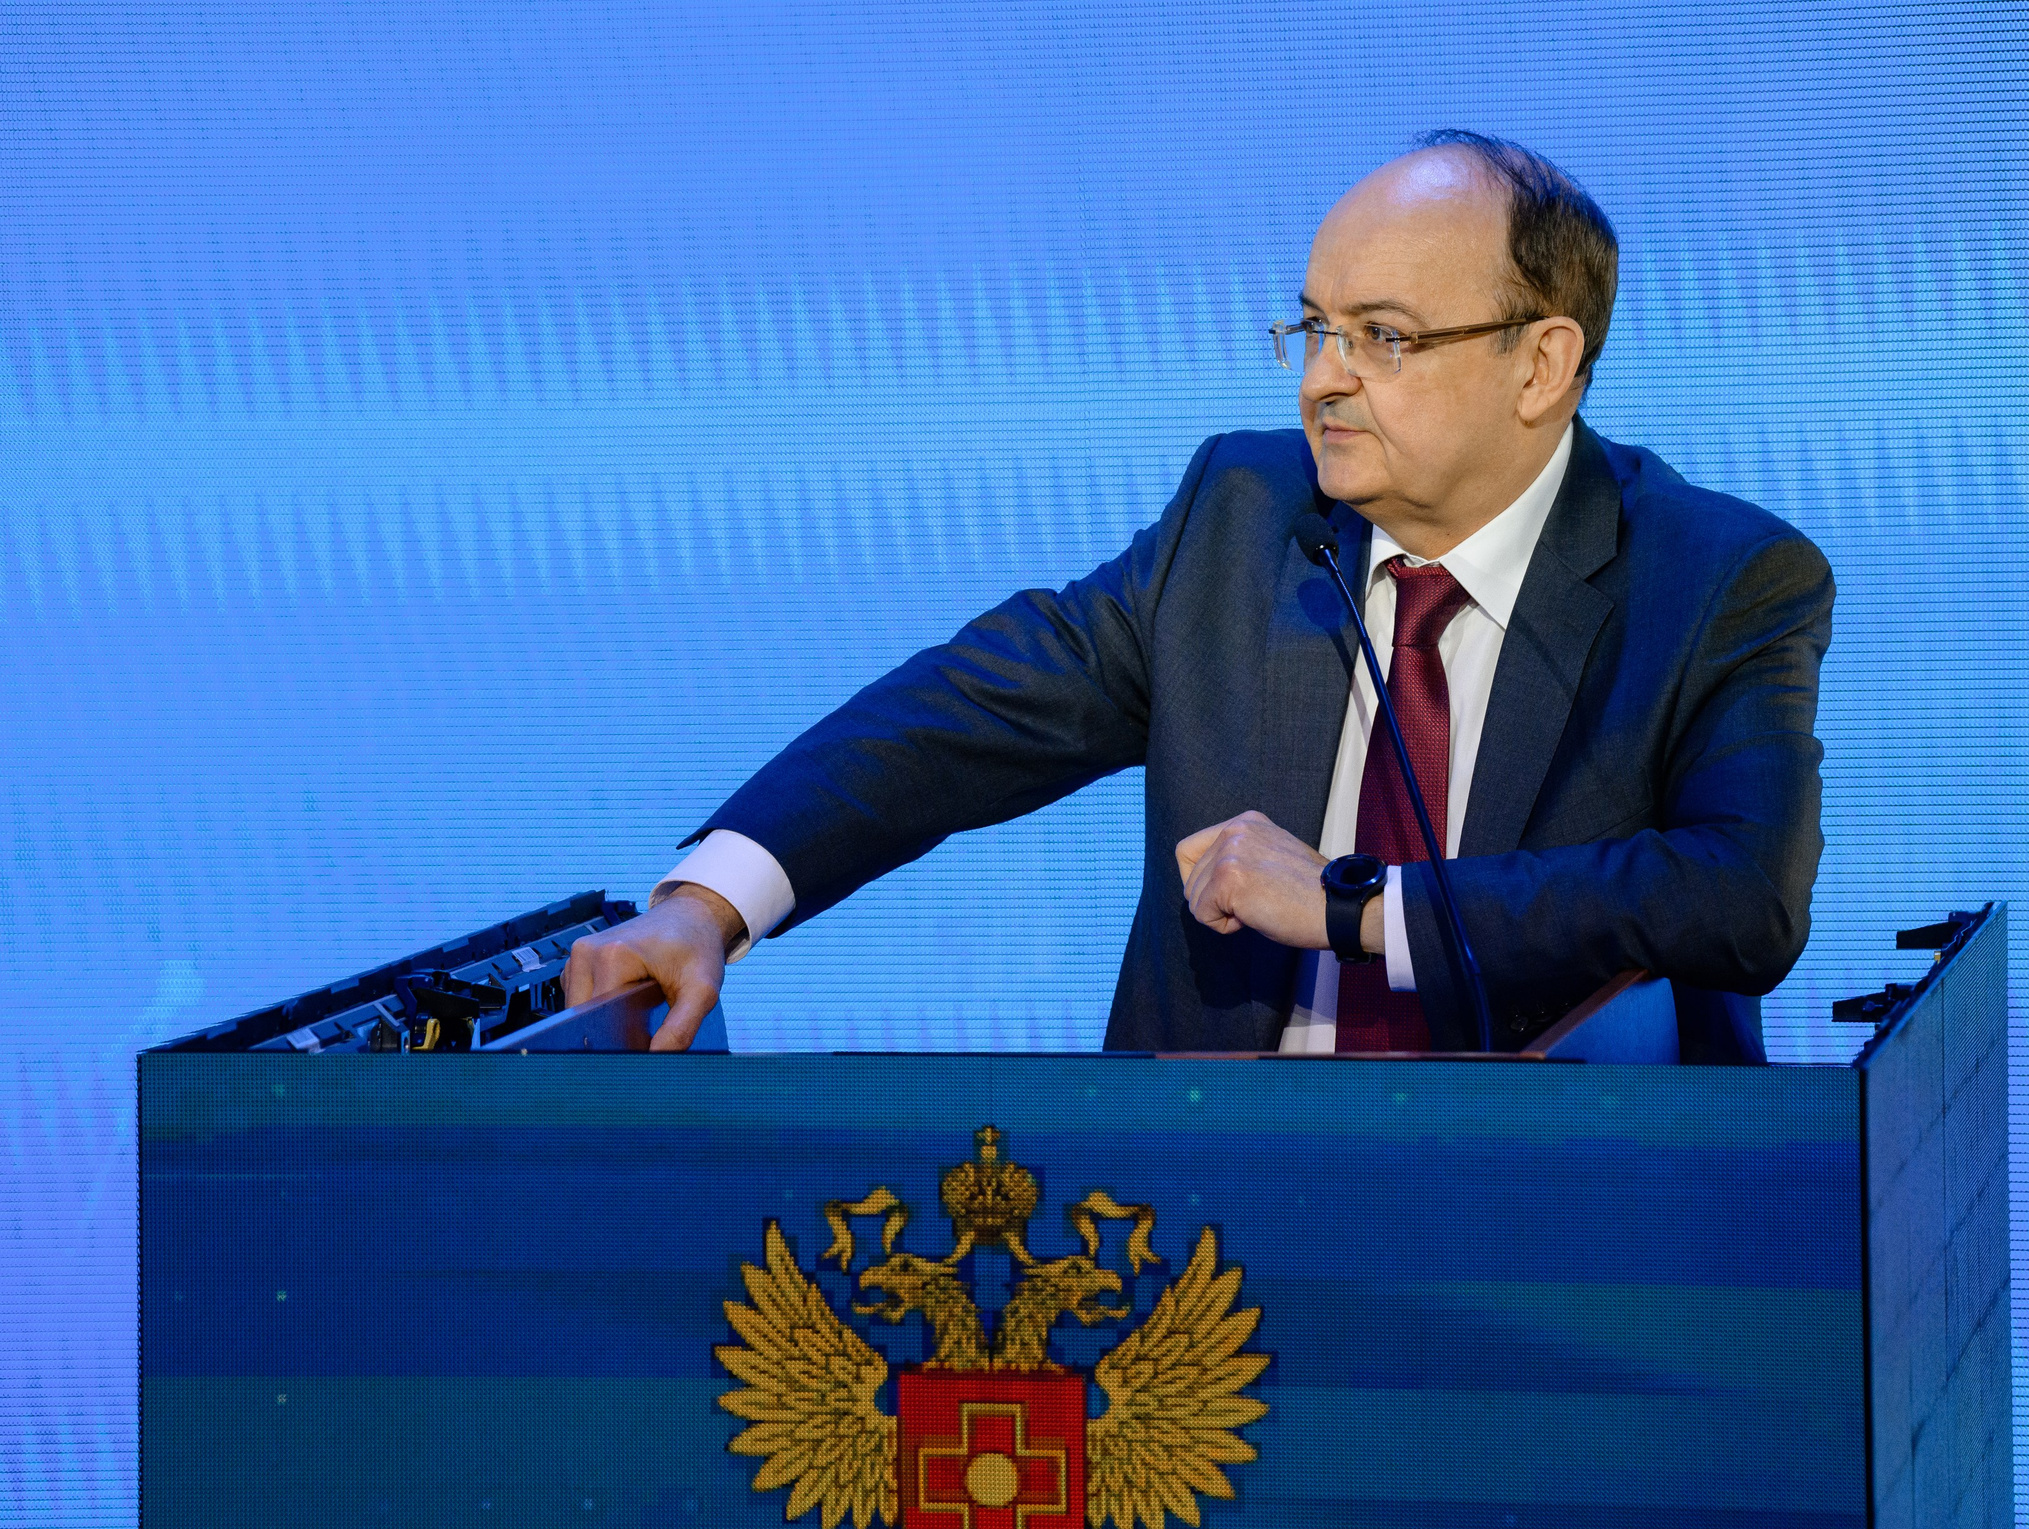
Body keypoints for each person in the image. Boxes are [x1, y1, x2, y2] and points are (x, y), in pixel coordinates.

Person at [566, 130, 1832, 1061]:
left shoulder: (1716, 580)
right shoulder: (1241, 518)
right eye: (1312, 329)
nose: (1323, 382)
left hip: (1554, 1238)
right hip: (1213, 1229)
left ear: (1540, 363)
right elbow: (966, 713)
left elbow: (1737, 896)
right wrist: (707, 904)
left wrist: (1355, 905)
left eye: (1382, 337)